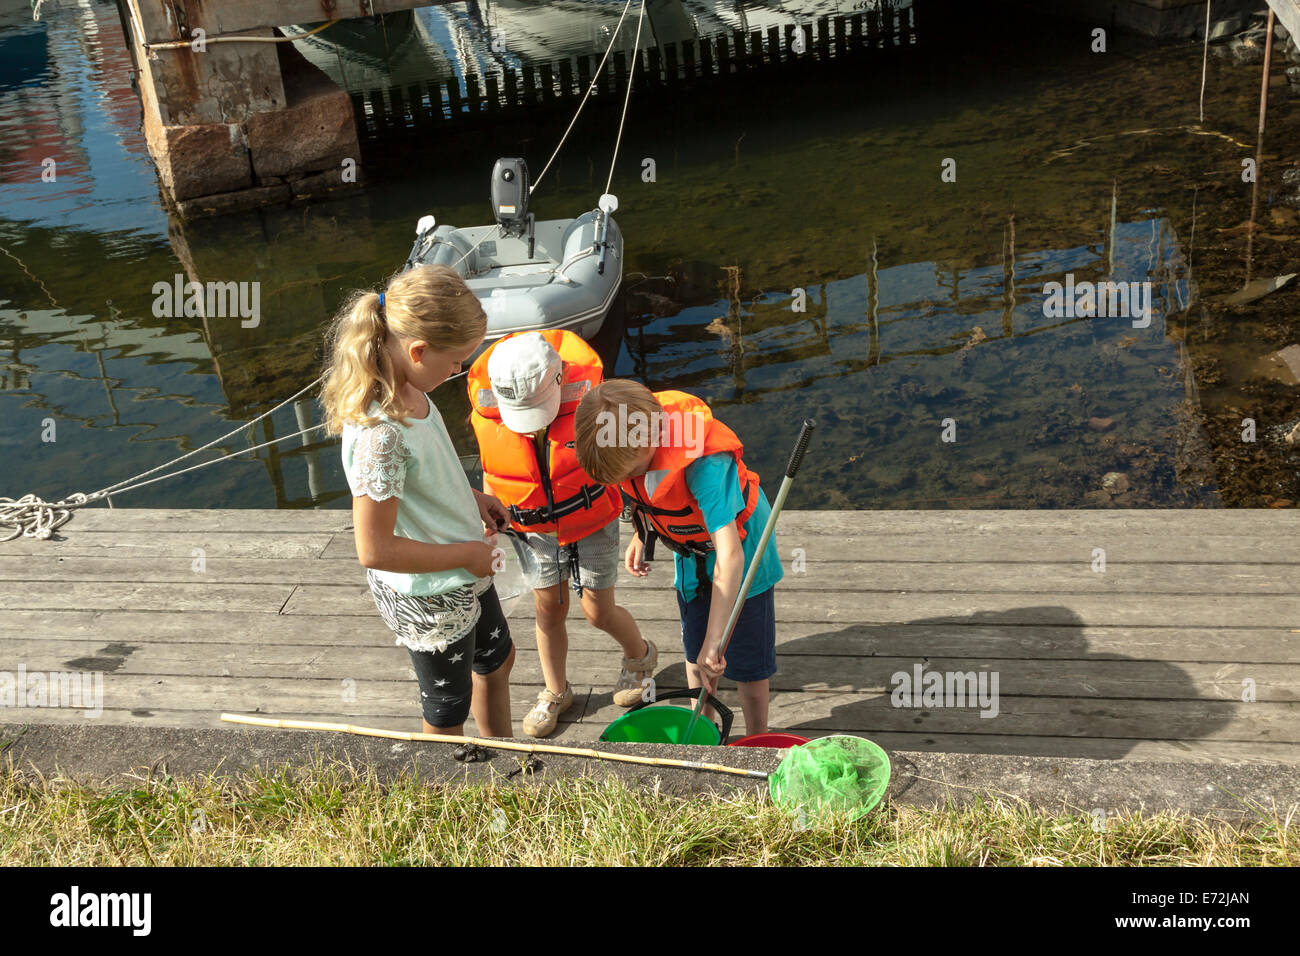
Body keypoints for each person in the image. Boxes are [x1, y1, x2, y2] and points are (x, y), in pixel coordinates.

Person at [321, 264, 514, 738]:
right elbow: (374, 550)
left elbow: (425, 477)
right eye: (456, 362)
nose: (460, 371)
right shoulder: (380, 435)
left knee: (498, 661)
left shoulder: (412, 390)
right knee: (448, 711)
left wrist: (471, 498)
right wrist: (467, 554)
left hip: (463, 567)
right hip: (429, 595)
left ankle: (503, 761)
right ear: (418, 350)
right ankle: (446, 796)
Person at [468, 331, 655, 738]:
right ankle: (556, 690)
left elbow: (626, 466)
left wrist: (642, 527)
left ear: (560, 379)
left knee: (597, 611)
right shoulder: (488, 413)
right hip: (533, 529)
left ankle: (639, 657)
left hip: (592, 519)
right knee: (548, 611)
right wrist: (488, 516)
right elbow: (493, 470)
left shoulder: (595, 402)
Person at [574, 380, 783, 738]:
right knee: (695, 655)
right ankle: (704, 733)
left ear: (653, 438)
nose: (627, 480)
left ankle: (757, 738)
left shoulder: (705, 465)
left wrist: (716, 640)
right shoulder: (630, 447)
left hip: (743, 555)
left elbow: (730, 556)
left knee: (748, 664)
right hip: (691, 556)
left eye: (630, 473)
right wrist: (643, 532)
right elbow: (648, 493)